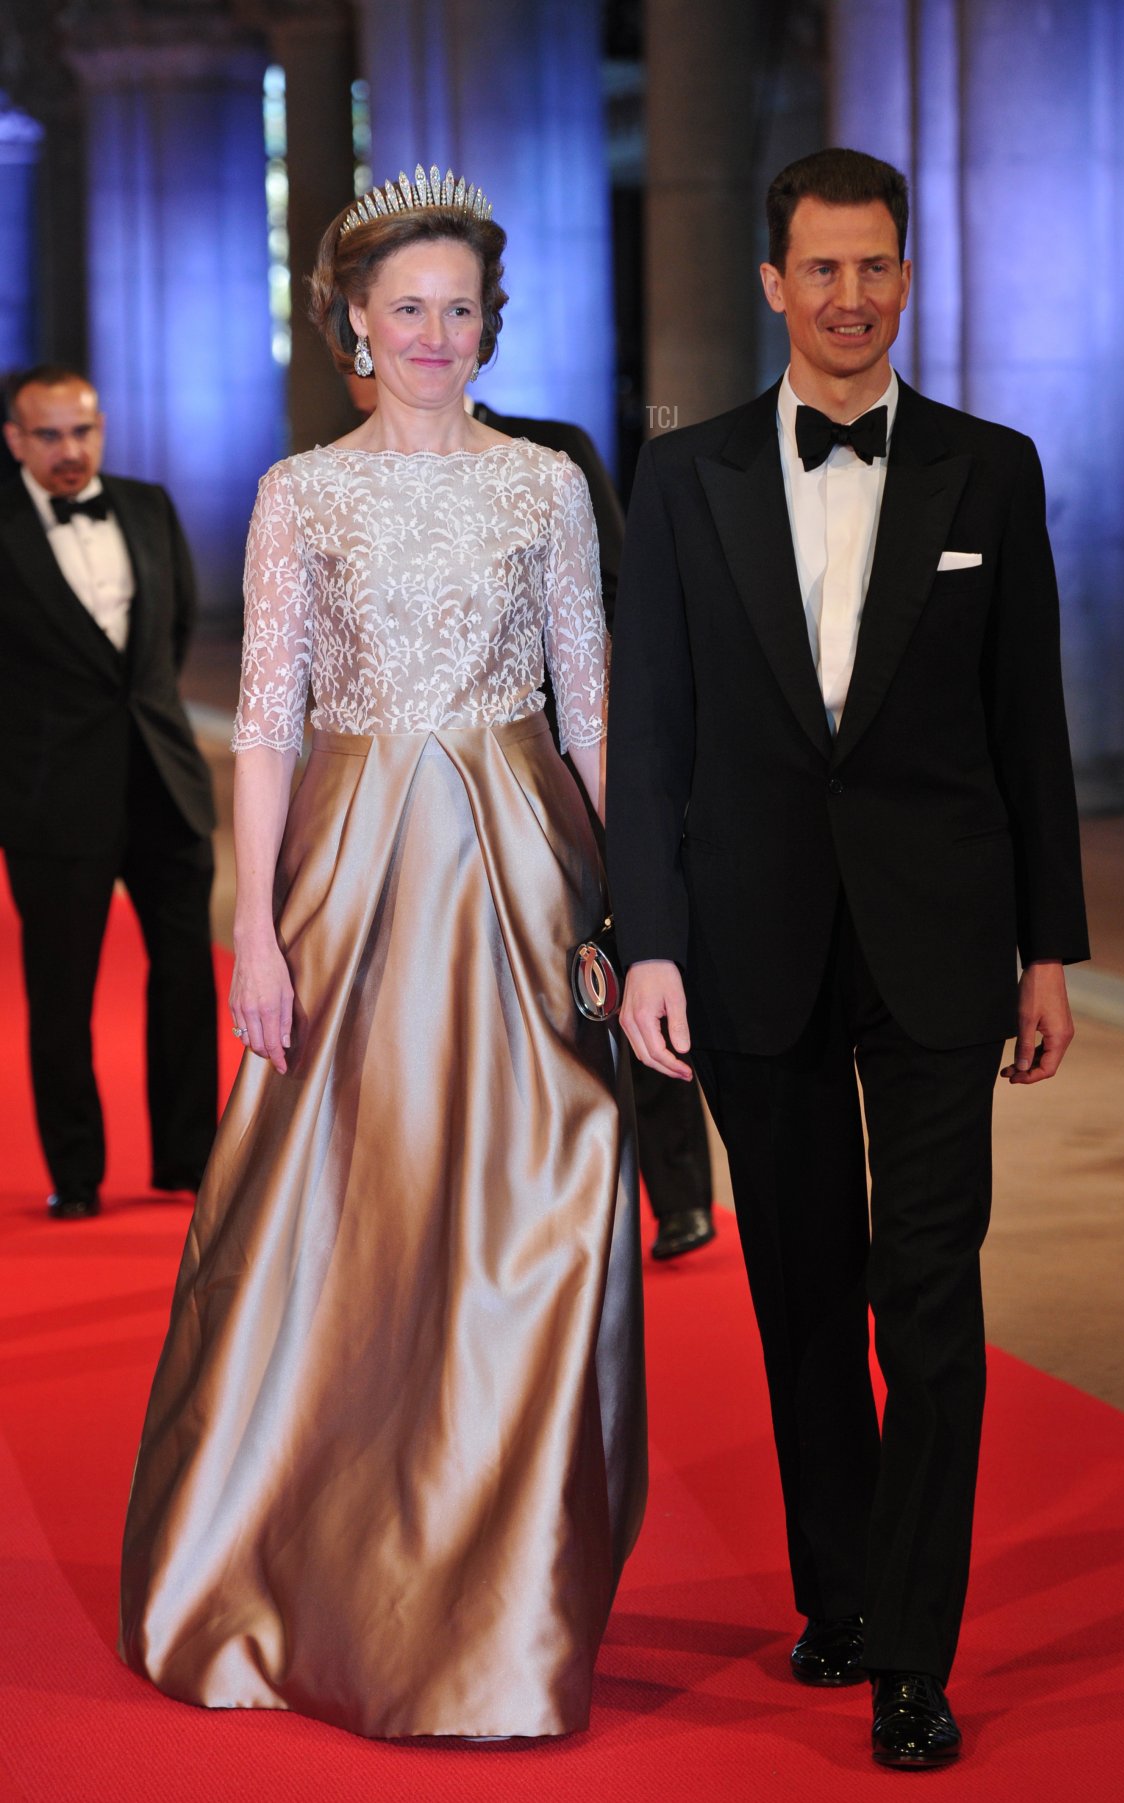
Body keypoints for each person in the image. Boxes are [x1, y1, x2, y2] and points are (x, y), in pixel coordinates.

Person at [119, 165, 647, 1741]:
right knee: (338, 1219)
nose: (433, 333)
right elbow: (266, 720)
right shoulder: (302, 491)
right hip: (350, 871)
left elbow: (591, 699)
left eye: (458, 308)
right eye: (405, 307)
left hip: (525, 863)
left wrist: (635, 909)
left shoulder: (546, 483)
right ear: (352, 321)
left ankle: (505, 1594)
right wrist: (256, 926)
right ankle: (301, 1566)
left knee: (551, 1200)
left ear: (492, 322)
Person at [606, 148, 1089, 1769]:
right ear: (773, 284)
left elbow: (1030, 722)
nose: (851, 295)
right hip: (753, 937)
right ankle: (842, 1591)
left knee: (926, 1291)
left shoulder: (989, 469)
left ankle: (914, 1657)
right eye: (821, 267)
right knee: (803, 1283)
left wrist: (1050, 948)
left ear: (906, 277)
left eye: (876, 265)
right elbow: (650, 732)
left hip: (943, 941)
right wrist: (650, 942)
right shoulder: (685, 478)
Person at [471, 394, 716, 1260]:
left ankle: (680, 1190)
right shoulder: (342, 473)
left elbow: (620, 595)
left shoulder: (553, 452)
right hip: (446, 793)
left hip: (570, 751)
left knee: (626, 953)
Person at [0, 366, 217, 1220]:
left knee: (187, 981)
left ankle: (189, 1159)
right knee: (62, 994)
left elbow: (174, 628)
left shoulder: (148, 505)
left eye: (83, 431)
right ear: (15, 440)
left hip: (165, 782)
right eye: (49, 434)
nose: (70, 450)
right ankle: (77, 1174)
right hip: (53, 796)